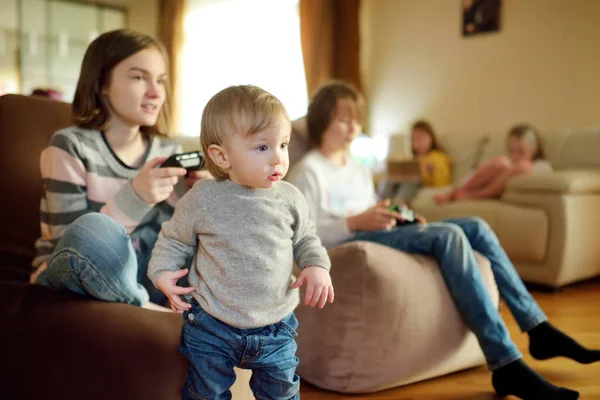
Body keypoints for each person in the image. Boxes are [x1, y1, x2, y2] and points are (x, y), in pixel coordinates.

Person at [289, 81, 599, 400]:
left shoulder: (358, 169)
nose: (353, 125)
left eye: (356, 118)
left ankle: (537, 327)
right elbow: (304, 236)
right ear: (322, 120)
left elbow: (373, 208)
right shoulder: (307, 171)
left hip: (380, 232)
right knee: (449, 235)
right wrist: (353, 222)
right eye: (343, 118)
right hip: (349, 243)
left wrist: (398, 215)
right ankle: (505, 362)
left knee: (476, 226)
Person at [148, 85, 334, 399]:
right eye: (262, 147)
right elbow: (173, 240)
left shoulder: (290, 198)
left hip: (275, 326)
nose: (278, 158)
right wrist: (162, 272)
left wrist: (316, 265)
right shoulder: (203, 198)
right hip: (211, 324)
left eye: (283, 145)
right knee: (205, 394)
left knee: (282, 394)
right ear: (222, 156)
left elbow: (306, 239)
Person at [31, 29, 211, 310]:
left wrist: (206, 195)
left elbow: (177, 244)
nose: (155, 92)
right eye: (139, 77)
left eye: (161, 80)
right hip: (76, 272)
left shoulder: (170, 152)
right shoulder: (69, 145)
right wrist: (136, 197)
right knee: (93, 230)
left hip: (148, 276)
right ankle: (147, 307)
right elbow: (69, 243)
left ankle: (165, 304)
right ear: (102, 83)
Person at [435, 123, 552, 204]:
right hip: (472, 185)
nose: (515, 156)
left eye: (521, 151)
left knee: (522, 166)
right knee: (502, 162)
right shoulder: (506, 162)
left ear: (534, 148)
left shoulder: (541, 166)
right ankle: (456, 192)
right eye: (511, 151)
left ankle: (471, 196)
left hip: (481, 193)